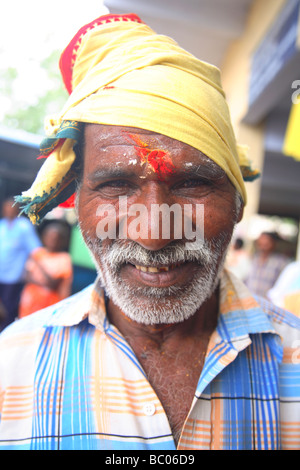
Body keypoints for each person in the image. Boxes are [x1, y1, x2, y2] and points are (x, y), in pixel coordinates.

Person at [0, 13, 299, 451]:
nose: (154, 234)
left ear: (237, 203)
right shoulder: (11, 366)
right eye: (116, 185)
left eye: (193, 183)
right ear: (77, 200)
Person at [0, 197, 41, 331]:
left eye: (12, 208)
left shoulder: (24, 226)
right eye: (6, 208)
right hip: (1, 274)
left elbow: (35, 250)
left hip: (14, 277)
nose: (9, 211)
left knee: (8, 312)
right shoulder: (2, 225)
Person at [18, 222, 73, 318]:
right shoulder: (38, 253)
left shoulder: (64, 258)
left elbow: (52, 284)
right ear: (44, 237)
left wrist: (39, 265)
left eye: (57, 239)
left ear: (62, 241)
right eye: (50, 237)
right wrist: (43, 281)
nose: (53, 241)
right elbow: (26, 276)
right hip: (30, 303)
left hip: (49, 307)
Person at [245, 232, 290, 298]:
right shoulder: (253, 259)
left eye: (266, 244)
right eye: (260, 244)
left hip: (269, 304)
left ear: (274, 244)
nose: (263, 246)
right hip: (250, 301)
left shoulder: (281, 262)